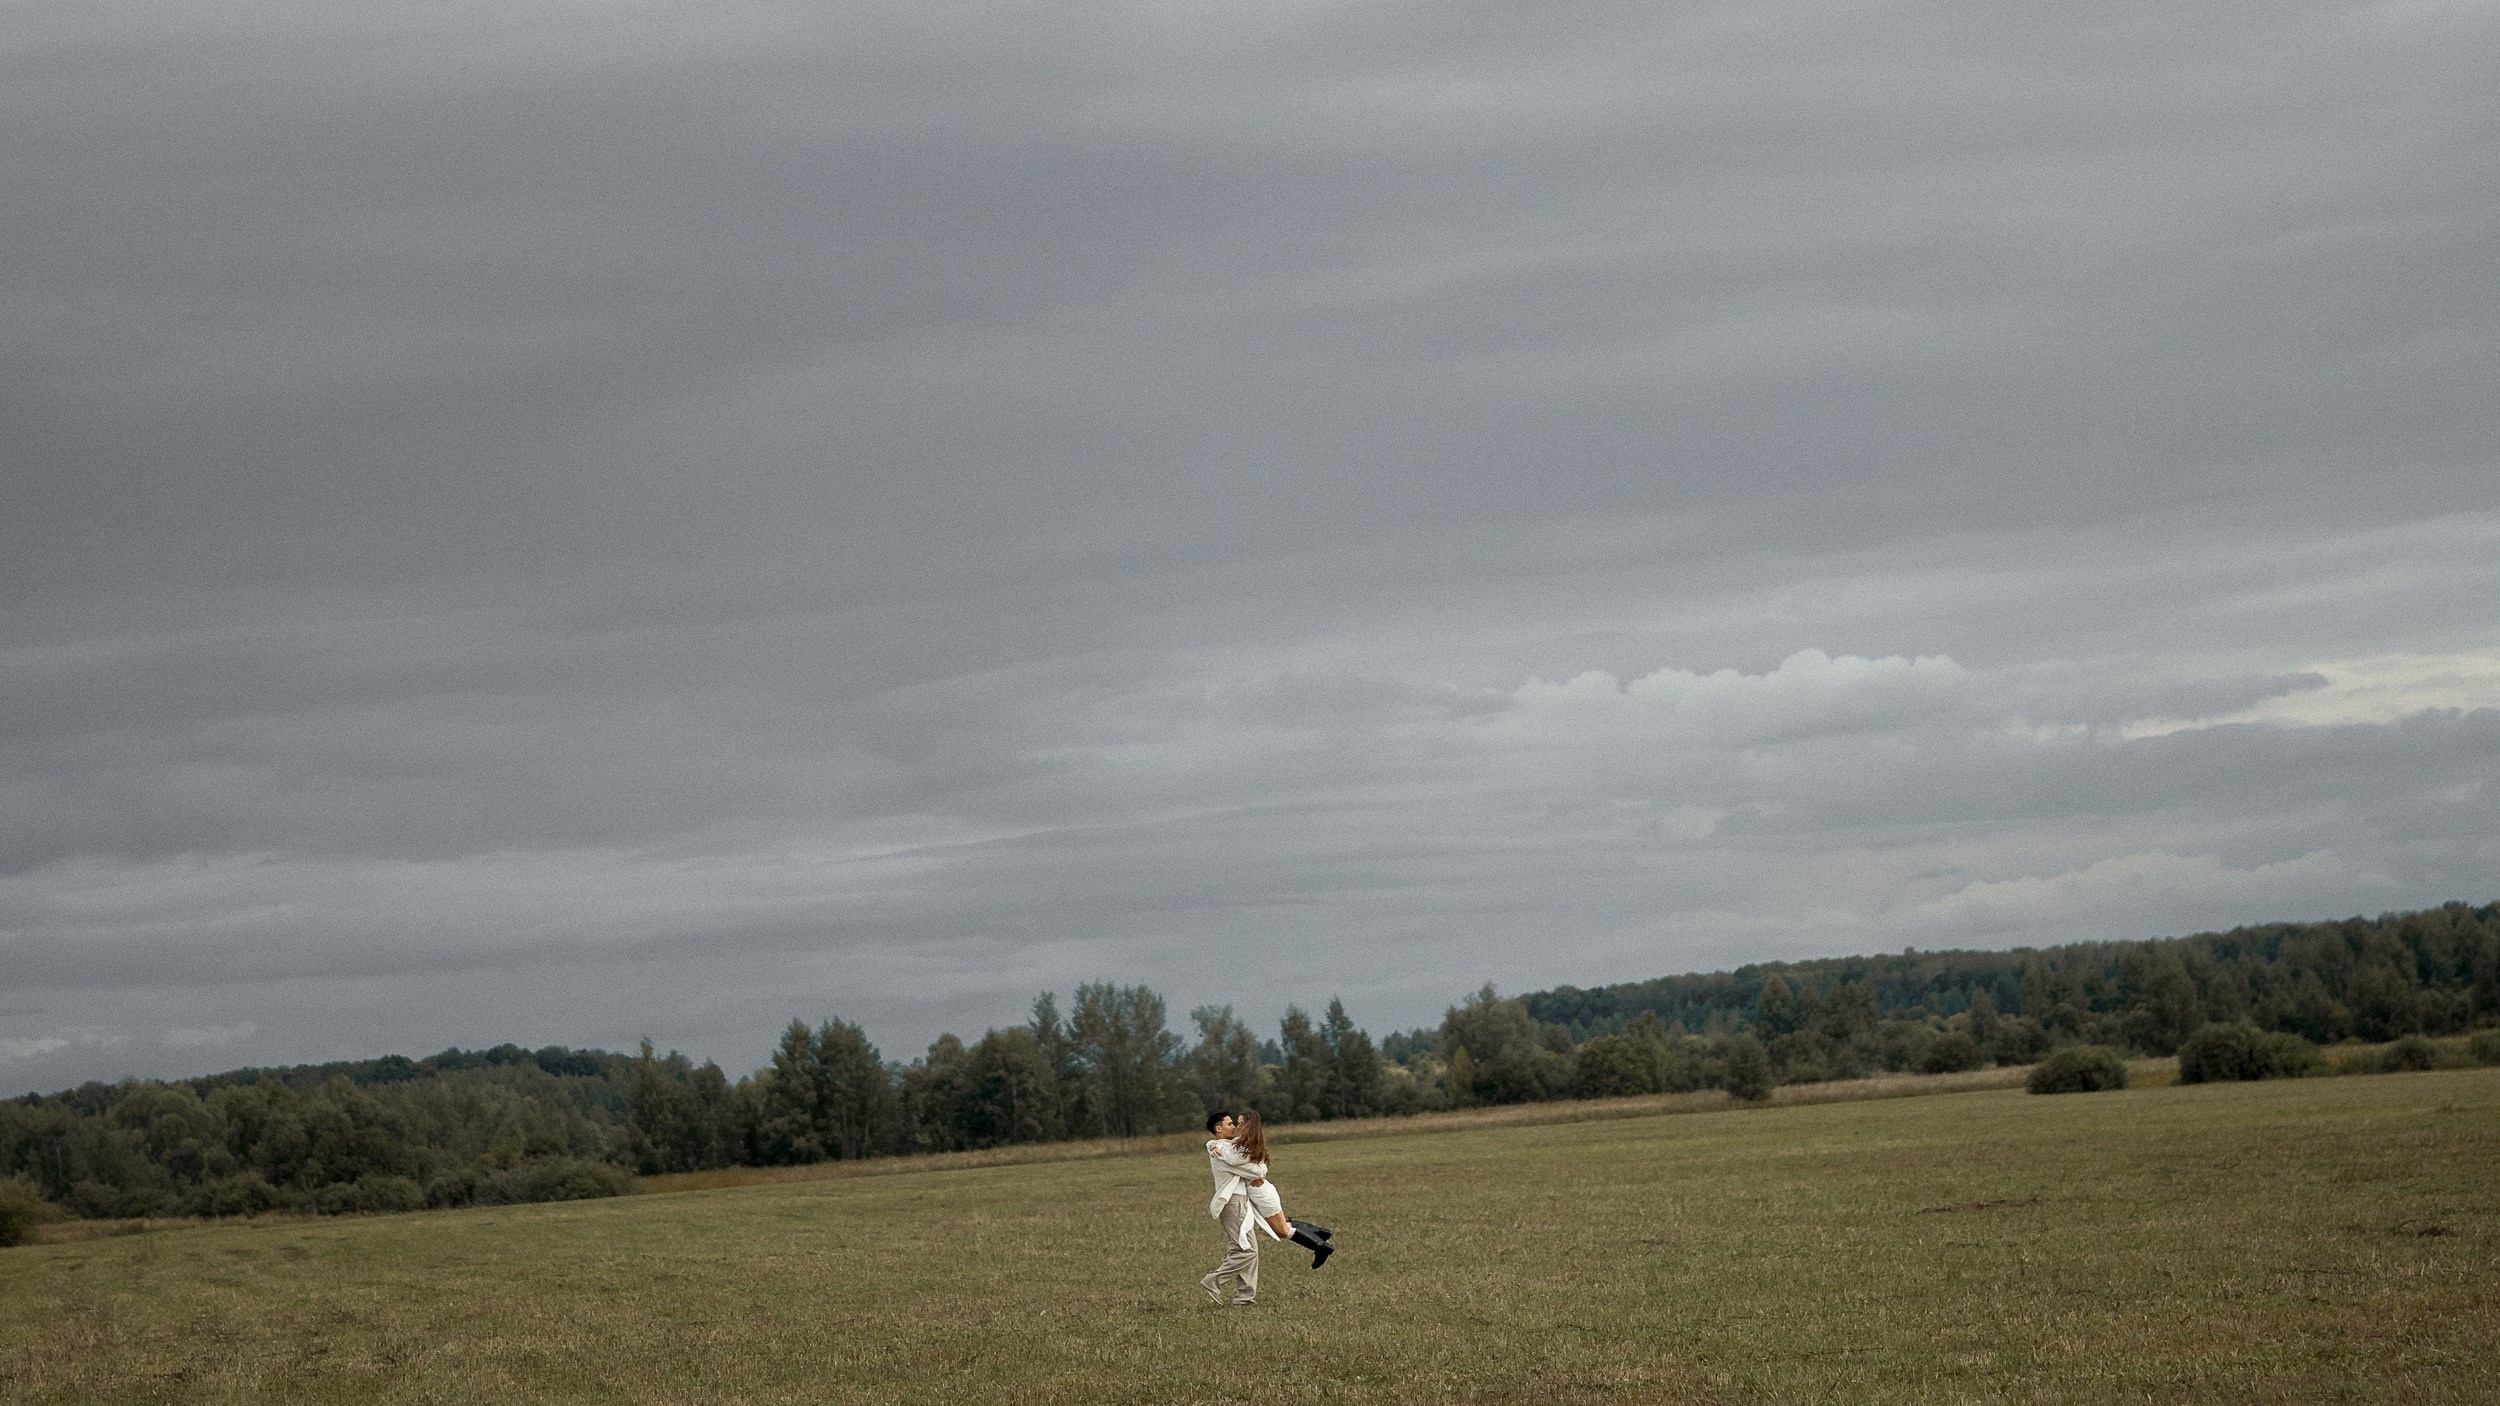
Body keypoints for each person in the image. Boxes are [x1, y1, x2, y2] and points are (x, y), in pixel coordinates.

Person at [1208, 1110, 1332, 1273]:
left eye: (1240, 1123)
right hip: (1260, 1191)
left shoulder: (1244, 1147)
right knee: (1281, 1226)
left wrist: (1217, 1148)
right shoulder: (1244, 1143)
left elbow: (1250, 1168)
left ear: (1249, 1125)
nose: (1237, 1127)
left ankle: (1321, 1246)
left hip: (1261, 1193)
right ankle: (1320, 1233)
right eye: (1235, 1123)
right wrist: (1212, 1145)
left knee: (1282, 1230)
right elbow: (1229, 1149)